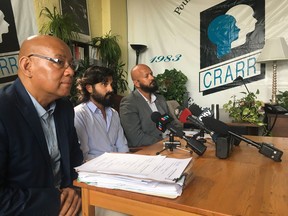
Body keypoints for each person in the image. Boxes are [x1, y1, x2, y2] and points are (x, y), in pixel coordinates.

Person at [0, 35, 83, 215]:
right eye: (59, 62)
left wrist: (74, 190)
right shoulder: (4, 111)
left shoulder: (65, 107)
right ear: (27, 66)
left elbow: (74, 160)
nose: (70, 72)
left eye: (71, 64)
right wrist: (55, 201)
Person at [74, 66, 129, 160]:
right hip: (95, 171)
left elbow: (123, 147)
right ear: (89, 88)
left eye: (111, 84)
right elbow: (83, 156)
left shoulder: (113, 113)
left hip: (120, 167)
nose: (110, 89)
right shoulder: (79, 114)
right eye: (104, 84)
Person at [119, 64, 173, 147]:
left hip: (171, 144)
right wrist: (164, 143)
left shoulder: (160, 99)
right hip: (149, 150)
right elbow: (136, 138)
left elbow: (172, 123)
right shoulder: (129, 103)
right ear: (137, 83)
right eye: (146, 76)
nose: (152, 78)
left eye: (151, 74)